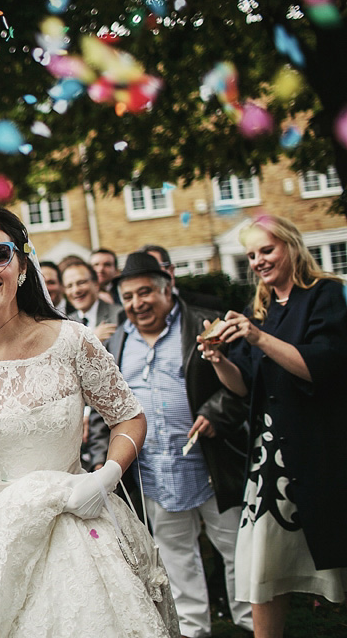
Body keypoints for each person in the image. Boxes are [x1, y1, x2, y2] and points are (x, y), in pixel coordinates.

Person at [0, 205, 178, 637]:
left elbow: (128, 417)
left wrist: (106, 477)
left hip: (76, 522)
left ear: (21, 264)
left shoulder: (71, 340)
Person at [198, 215, 347, 638]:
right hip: (269, 460)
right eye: (251, 255)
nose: (259, 261)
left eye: (267, 250)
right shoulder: (258, 309)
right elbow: (243, 386)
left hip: (320, 451)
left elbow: (321, 366)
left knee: (337, 560)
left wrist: (258, 337)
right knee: (262, 569)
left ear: (290, 246)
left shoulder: (325, 295)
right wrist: (219, 360)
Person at [97, 253, 252, 637]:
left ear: (167, 289)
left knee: (237, 550)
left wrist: (216, 414)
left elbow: (243, 388)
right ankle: (195, 628)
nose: (137, 303)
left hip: (211, 464)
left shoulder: (201, 324)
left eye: (146, 292)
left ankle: (250, 623)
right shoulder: (116, 341)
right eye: (129, 296)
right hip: (155, 471)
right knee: (176, 556)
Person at [140, 245, 225, 312]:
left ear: (171, 271)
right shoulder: (132, 317)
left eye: (155, 268)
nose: (149, 276)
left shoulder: (208, 306)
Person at [63, 261, 118, 342]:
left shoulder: (117, 315)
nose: (76, 290)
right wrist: (93, 339)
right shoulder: (66, 324)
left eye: (81, 283)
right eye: (69, 286)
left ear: (96, 285)